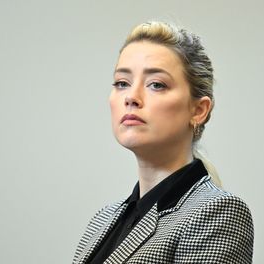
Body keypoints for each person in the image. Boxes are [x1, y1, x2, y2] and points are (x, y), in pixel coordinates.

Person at [72, 21, 254, 264]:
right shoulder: (102, 219)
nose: (131, 98)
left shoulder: (217, 211)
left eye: (156, 84)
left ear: (198, 110)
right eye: (122, 83)